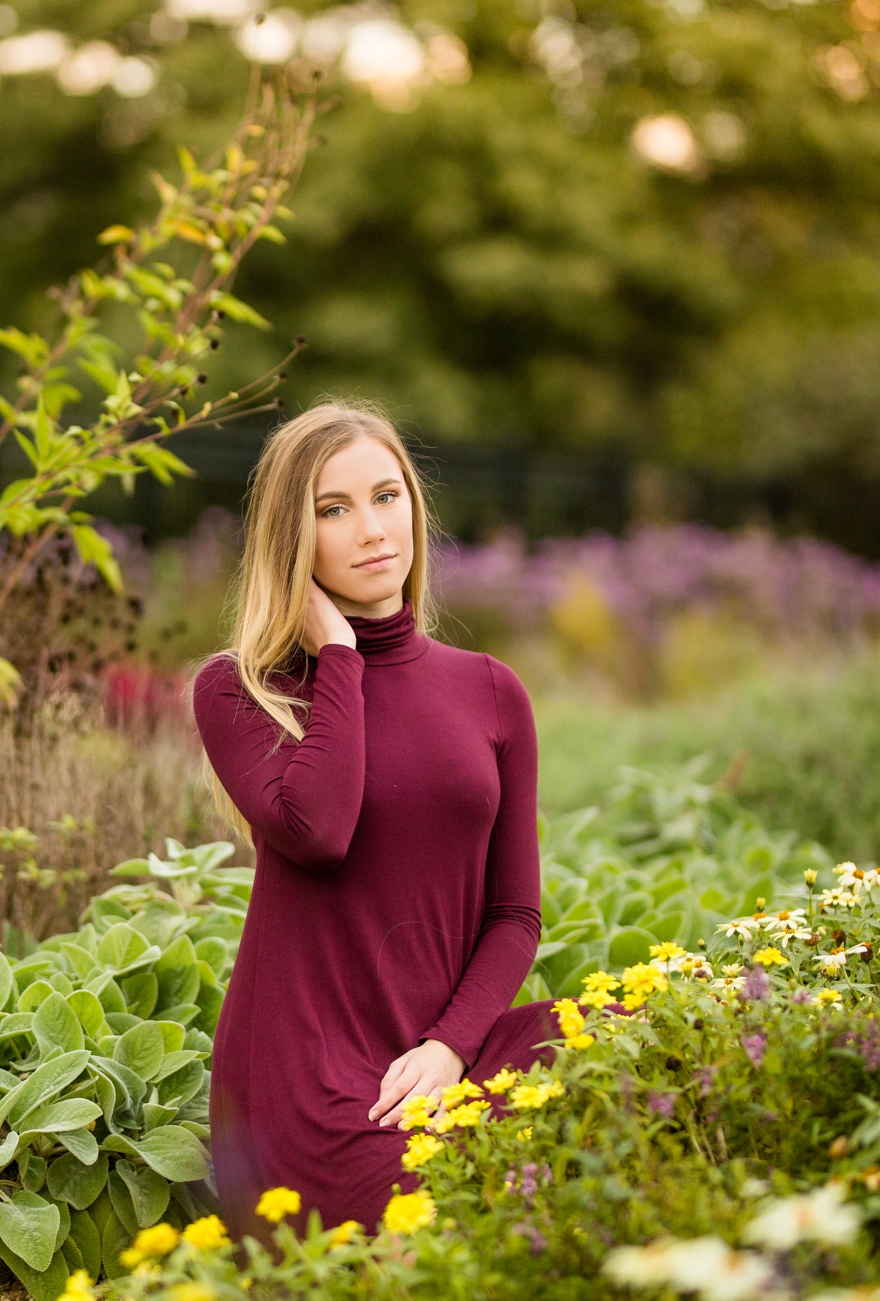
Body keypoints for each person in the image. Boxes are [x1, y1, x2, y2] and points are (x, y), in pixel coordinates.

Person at [191, 401, 560, 1237]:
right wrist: (341, 658)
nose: (371, 528)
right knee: (448, 1228)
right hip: (308, 1086)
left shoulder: (492, 690)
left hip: (438, 1059)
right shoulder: (239, 689)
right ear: (294, 537)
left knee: (631, 1059)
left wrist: (450, 1047)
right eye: (334, 509)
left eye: (387, 496)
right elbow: (319, 830)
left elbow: (514, 914)